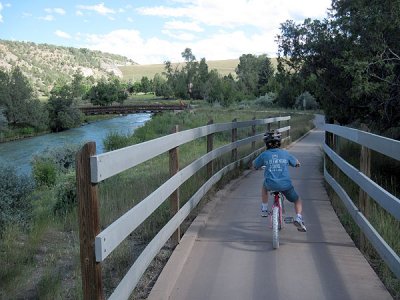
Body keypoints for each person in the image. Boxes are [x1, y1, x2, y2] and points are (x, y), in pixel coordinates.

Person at [252, 131, 307, 232]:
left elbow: (255, 165)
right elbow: (296, 163)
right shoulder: (285, 153)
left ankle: (264, 209)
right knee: (297, 199)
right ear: (279, 142)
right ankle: (299, 217)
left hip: (271, 185)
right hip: (285, 185)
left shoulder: (264, 155)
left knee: (264, 185)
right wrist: (297, 164)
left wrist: (256, 167)